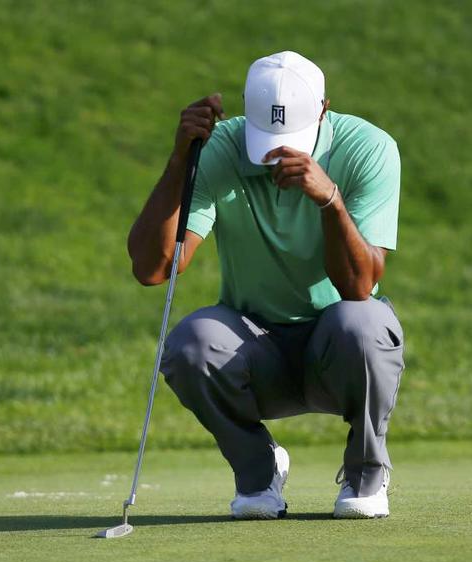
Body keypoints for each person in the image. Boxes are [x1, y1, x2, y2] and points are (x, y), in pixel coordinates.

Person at [127, 51, 404, 519]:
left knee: (363, 323)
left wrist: (330, 201)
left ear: (323, 109)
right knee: (192, 345)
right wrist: (180, 161)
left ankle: (365, 472)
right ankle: (259, 469)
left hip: (336, 351)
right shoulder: (220, 147)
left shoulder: (368, 147)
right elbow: (154, 269)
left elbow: (359, 285)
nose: (277, 152)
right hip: (256, 349)